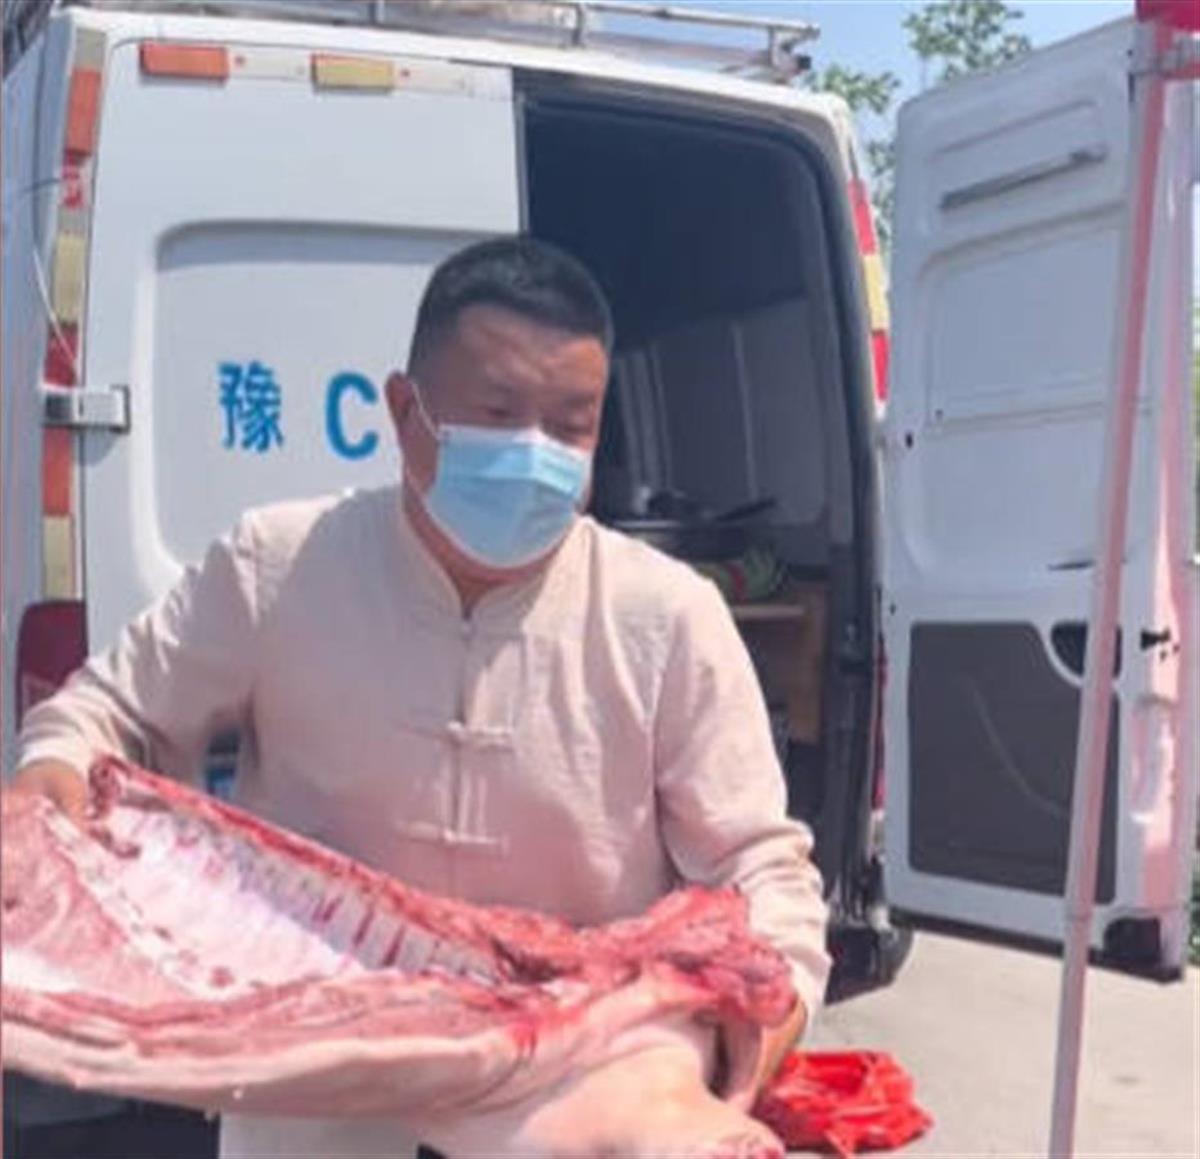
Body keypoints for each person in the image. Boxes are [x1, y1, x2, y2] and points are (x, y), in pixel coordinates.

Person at [9, 237, 830, 1158]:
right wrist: (56, 768)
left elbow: (761, 864)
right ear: (406, 412)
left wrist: (772, 1004)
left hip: (565, 1099)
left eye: (570, 426)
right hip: (316, 1099)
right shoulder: (280, 566)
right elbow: (105, 714)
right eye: (498, 413)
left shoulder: (664, 616)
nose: (535, 451)